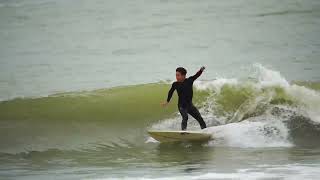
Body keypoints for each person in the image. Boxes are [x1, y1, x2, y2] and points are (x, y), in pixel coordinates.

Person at [161, 66, 207, 130]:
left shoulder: (189, 80)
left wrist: (201, 70)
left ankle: (205, 131)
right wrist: (167, 101)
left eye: (178, 75)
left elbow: (197, 75)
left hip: (190, 105)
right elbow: (170, 92)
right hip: (181, 106)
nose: (176, 77)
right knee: (185, 117)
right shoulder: (175, 84)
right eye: (176, 75)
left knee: (200, 118)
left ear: (183, 75)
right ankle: (183, 132)